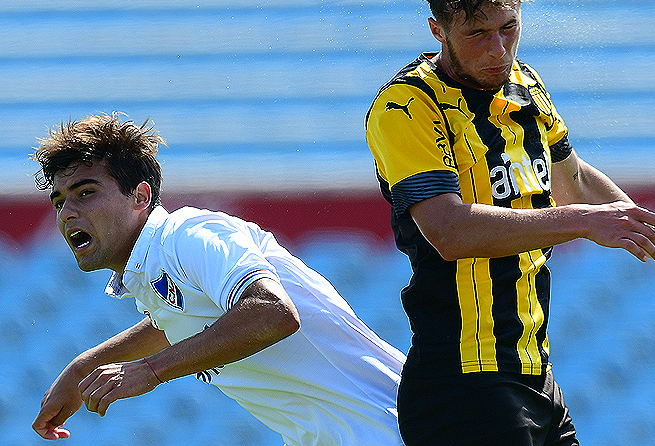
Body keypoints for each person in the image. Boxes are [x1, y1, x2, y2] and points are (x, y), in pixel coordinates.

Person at [365, 0, 655, 446]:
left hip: (536, 381)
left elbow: (576, 180)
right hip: (464, 387)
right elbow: (450, 231)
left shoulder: (524, 86)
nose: (498, 49)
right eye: (477, 33)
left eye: (509, 28)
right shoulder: (407, 107)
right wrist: (584, 224)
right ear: (438, 29)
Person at [31, 113, 406, 446]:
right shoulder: (154, 269)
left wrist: (151, 370)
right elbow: (183, 320)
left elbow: (272, 312)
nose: (68, 213)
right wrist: (84, 367)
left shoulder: (188, 234)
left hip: (395, 427)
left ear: (140, 196)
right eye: (60, 201)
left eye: (86, 192)